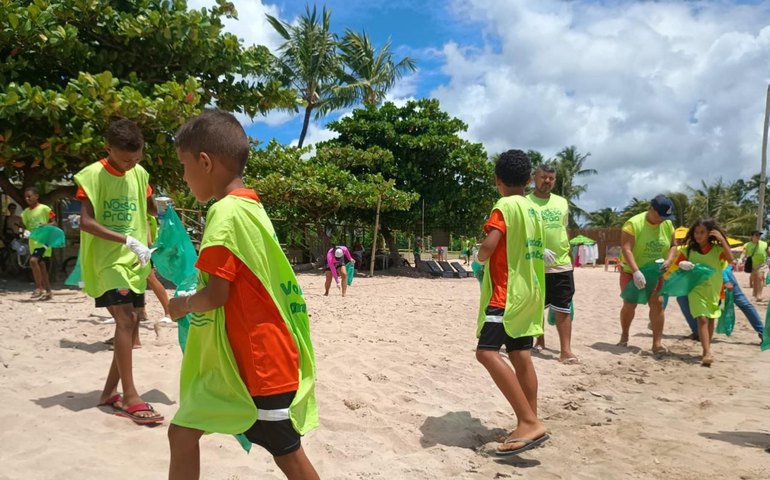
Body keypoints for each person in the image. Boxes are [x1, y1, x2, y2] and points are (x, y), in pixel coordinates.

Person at [166, 109, 319, 480]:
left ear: (204, 162)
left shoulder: (225, 213)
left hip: (259, 368)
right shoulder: (251, 207)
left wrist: (180, 305)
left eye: (184, 168)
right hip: (255, 360)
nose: (184, 179)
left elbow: (216, 294)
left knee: (289, 456)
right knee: (182, 432)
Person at [74, 118, 162, 423]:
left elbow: (148, 206)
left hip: (134, 261)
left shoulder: (140, 174)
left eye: (136, 159)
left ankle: (109, 392)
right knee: (125, 319)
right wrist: (125, 238)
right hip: (109, 260)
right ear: (108, 148)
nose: (130, 166)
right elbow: (85, 222)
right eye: (125, 160)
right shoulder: (92, 176)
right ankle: (130, 396)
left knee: (134, 321)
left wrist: (158, 210)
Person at [474, 149, 549, 456]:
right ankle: (528, 419)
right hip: (531, 292)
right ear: (528, 179)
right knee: (520, 354)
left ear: (497, 180)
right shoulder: (534, 209)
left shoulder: (503, 206)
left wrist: (479, 256)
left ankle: (529, 422)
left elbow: (490, 244)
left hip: (507, 293)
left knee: (486, 353)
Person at [527, 163, 578, 364]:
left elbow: (563, 230)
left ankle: (566, 351)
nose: (547, 181)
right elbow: (521, 233)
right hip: (533, 263)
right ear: (534, 178)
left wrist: (568, 256)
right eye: (543, 177)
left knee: (563, 306)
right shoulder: (525, 202)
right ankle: (539, 339)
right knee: (536, 305)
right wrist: (538, 249)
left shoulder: (562, 203)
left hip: (561, 264)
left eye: (551, 178)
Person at [670, 219, 733, 366]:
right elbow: (677, 266)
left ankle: (707, 348)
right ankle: (706, 352)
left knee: (711, 319)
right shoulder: (688, 250)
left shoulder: (717, 250)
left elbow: (730, 259)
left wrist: (722, 240)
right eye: (696, 232)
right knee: (702, 319)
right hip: (696, 289)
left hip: (714, 289)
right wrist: (681, 264)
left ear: (710, 233)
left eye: (702, 232)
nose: (698, 235)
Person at [618, 195, 676, 353]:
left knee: (657, 303)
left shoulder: (668, 225)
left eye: (666, 217)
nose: (663, 220)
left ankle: (656, 344)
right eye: (660, 216)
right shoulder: (633, 224)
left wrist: (669, 261)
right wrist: (636, 271)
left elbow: (673, 245)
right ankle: (624, 335)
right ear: (651, 209)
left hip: (656, 272)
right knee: (630, 304)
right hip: (631, 271)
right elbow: (626, 248)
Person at [677, 262, 765, 342]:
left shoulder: (712, 245)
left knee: (741, 301)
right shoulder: (687, 246)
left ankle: (763, 333)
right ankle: (698, 332)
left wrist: (725, 279)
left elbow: (719, 260)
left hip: (720, 273)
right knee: (682, 298)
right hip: (700, 275)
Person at [21, 187, 55, 300]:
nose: (27, 198)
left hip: (44, 242)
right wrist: (23, 232)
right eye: (26, 197)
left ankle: (38, 288)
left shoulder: (45, 209)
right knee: (42, 266)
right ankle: (48, 291)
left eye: (29, 196)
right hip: (33, 242)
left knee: (33, 261)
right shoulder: (25, 213)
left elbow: (54, 222)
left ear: (36, 196)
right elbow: (25, 227)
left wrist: (45, 226)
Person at [740, 231, 768, 302]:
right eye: (756, 235)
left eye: (759, 235)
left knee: (760, 278)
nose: (758, 236)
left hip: (762, 264)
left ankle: (759, 295)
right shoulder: (747, 245)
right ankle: (755, 295)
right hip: (752, 265)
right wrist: (740, 259)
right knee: (755, 279)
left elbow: (768, 252)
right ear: (752, 236)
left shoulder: (764, 244)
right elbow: (744, 253)